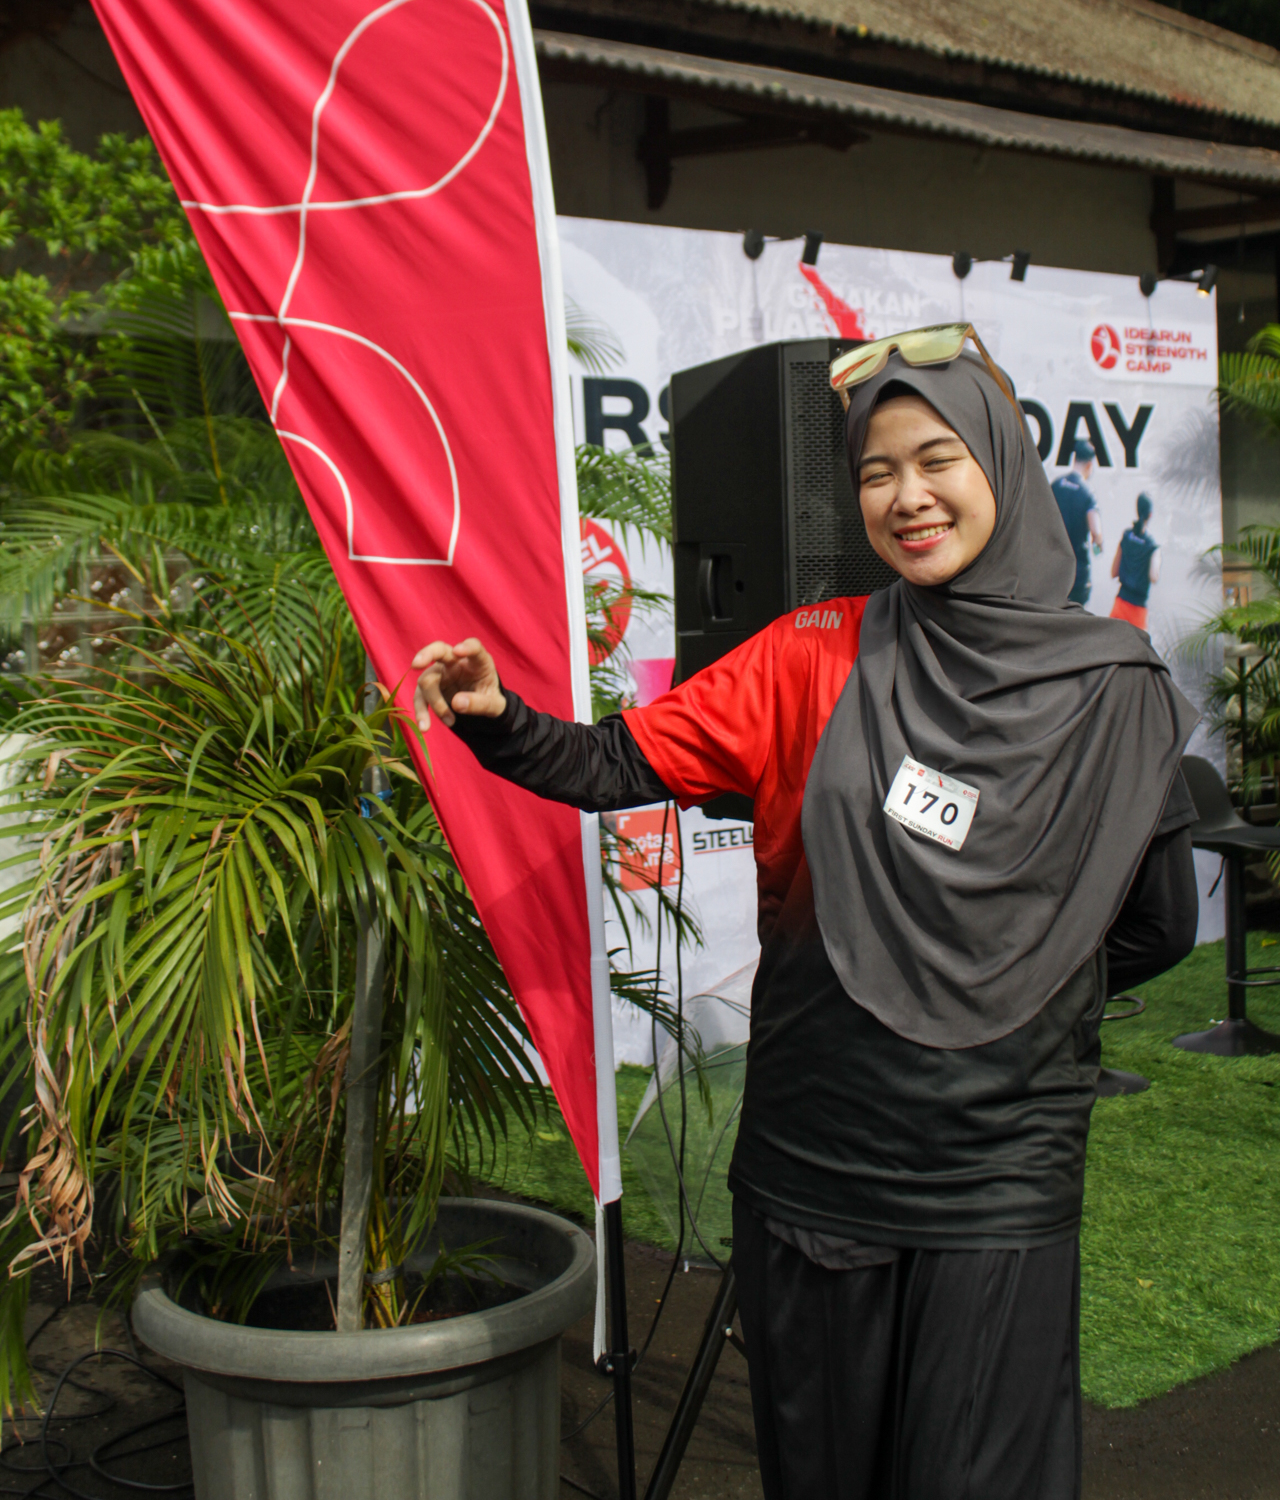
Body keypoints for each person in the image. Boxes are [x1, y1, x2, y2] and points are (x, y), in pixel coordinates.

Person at [413, 329, 1198, 1500]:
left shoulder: (1110, 690)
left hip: (996, 1166)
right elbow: (610, 763)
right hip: (817, 1156)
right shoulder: (810, 654)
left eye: (935, 460)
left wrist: (992, 994)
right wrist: (495, 717)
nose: (906, 496)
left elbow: (1152, 926)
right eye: (876, 472)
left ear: (998, 461)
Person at [1051, 439, 1103, 606]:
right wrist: (1098, 546)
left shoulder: (1055, 485)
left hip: (1054, 568)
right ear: (1089, 465)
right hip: (1077, 572)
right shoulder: (1087, 493)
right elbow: (1096, 532)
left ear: (1075, 458)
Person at [1111, 493, 1160, 629]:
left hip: (1120, 604)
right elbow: (1153, 577)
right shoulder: (1152, 546)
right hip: (1138, 611)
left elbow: (1114, 572)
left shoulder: (1126, 536)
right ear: (1150, 515)